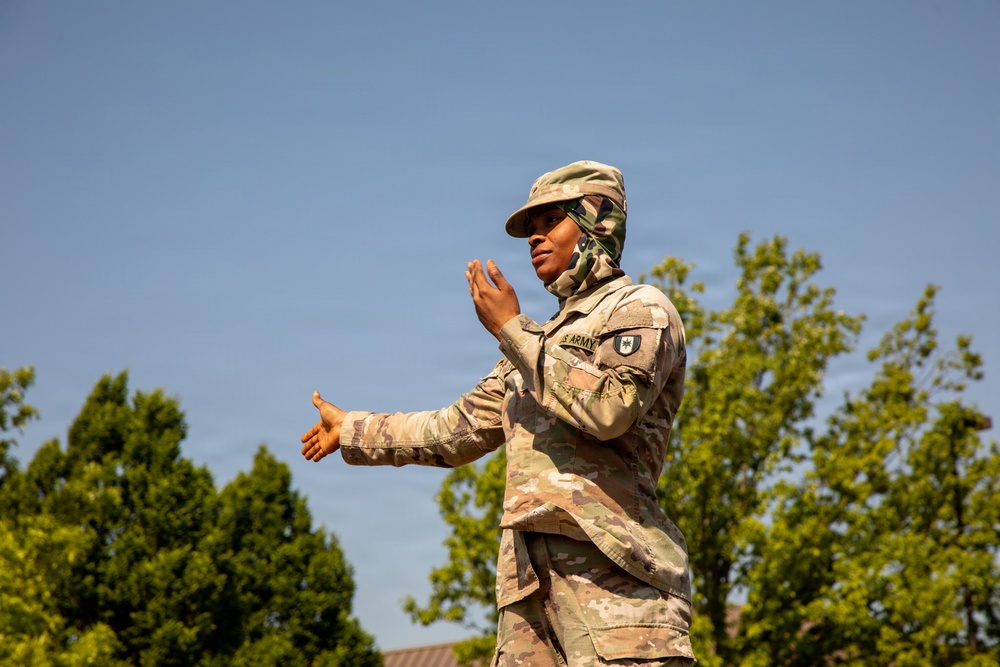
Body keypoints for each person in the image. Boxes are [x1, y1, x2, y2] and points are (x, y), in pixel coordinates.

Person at [301, 161, 695, 666]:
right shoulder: (534, 343)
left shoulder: (640, 309)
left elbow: (610, 409)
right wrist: (354, 430)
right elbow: (453, 431)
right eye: (529, 230)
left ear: (598, 221)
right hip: (526, 598)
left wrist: (512, 328)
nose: (534, 238)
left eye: (549, 221)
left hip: (616, 585)